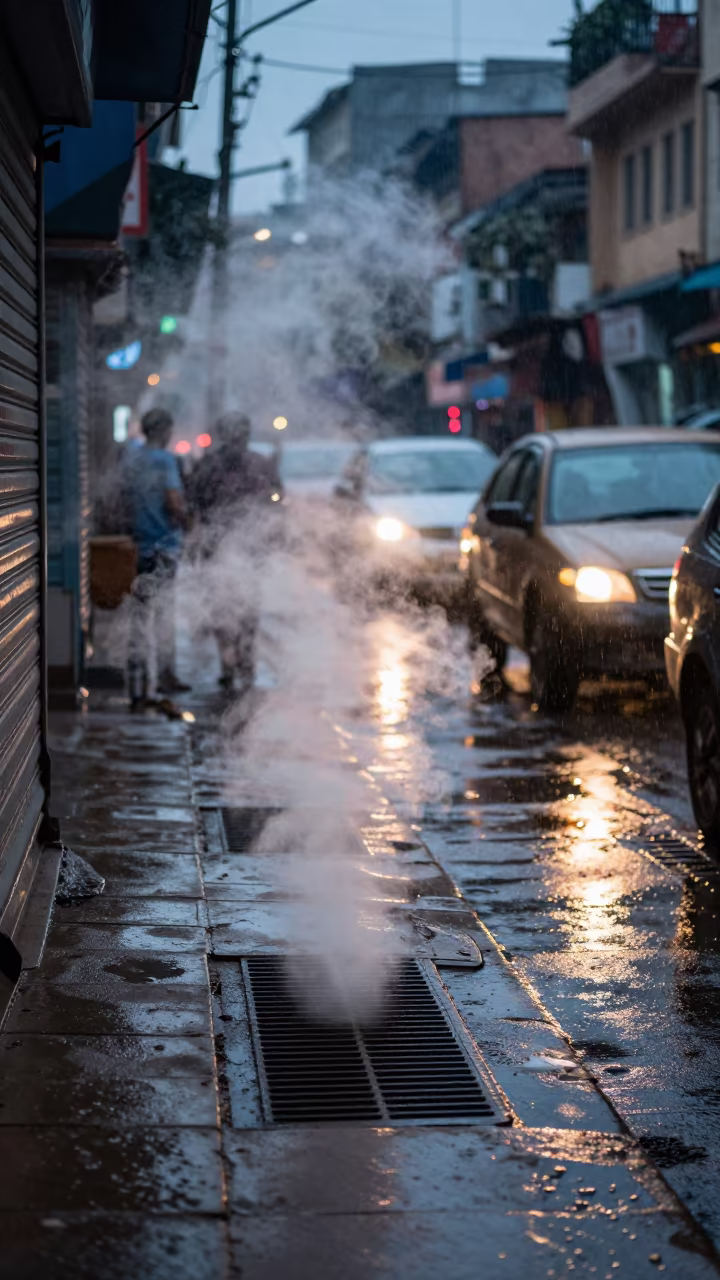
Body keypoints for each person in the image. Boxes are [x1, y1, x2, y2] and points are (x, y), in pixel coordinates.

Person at [188, 412, 280, 690]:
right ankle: (234, 664)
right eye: (234, 433)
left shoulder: (250, 465)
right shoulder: (214, 466)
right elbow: (194, 505)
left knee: (241, 608)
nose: (237, 439)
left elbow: (276, 499)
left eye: (240, 433)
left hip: (243, 547)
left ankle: (238, 663)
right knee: (227, 608)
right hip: (222, 547)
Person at [125, 407, 190, 708]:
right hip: (163, 546)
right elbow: (174, 502)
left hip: (136, 547)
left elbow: (119, 498)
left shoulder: (131, 459)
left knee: (139, 618)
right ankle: (165, 676)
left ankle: (136, 685)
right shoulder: (164, 460)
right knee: (164, 615)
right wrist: (188, 520)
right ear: (163, 431)